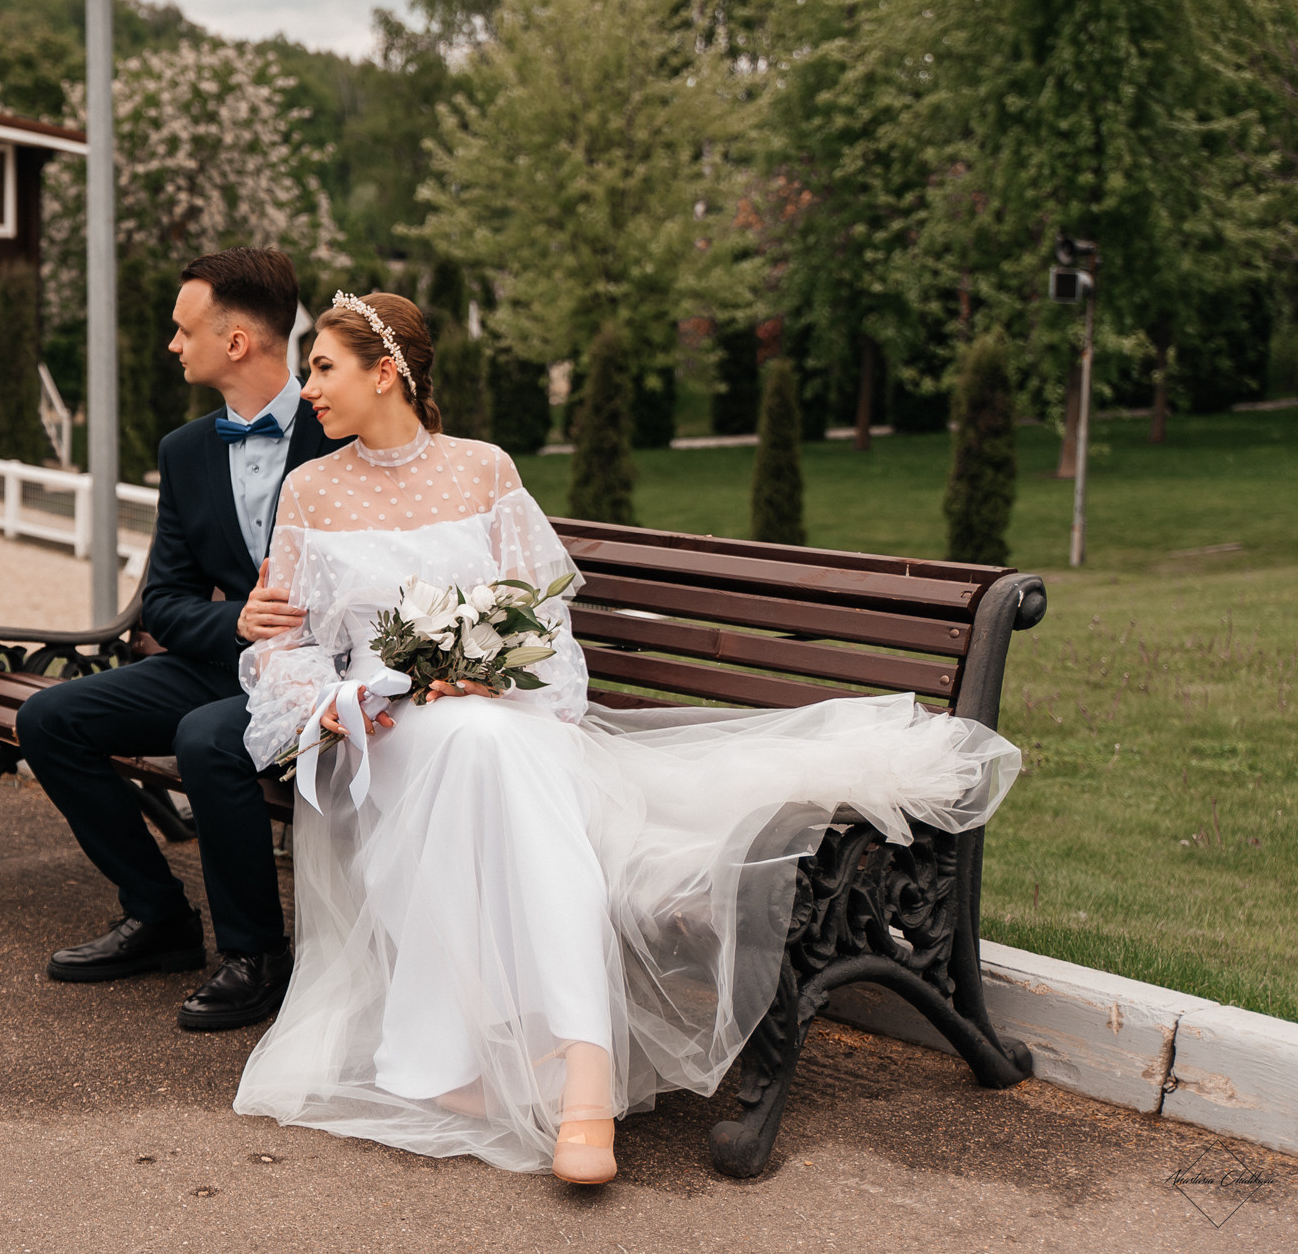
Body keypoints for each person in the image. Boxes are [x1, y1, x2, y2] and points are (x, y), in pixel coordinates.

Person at [231, 292, 1021, 1184]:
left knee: (487, 742)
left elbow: (547, 630)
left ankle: (543, 1070)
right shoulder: (311, 491)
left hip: (506, 725)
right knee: (469, 745)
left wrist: (492, 672)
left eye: (322, 368)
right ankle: (577, 1066)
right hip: (388, 735)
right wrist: (339, 701)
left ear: (386, 373)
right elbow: (280, 652)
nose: (308, 389)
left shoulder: (484, 471)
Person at [15, 247, 347, 1031]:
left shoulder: (339, 428)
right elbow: (163, 600)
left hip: (325, 677)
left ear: (236, 342)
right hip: (221, 662)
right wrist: (231, 620)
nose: (173, 344)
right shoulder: (186, 450)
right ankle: (159, 915)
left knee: (205, 739)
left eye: (184, 328)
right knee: (49, 720)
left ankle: (258, 954)